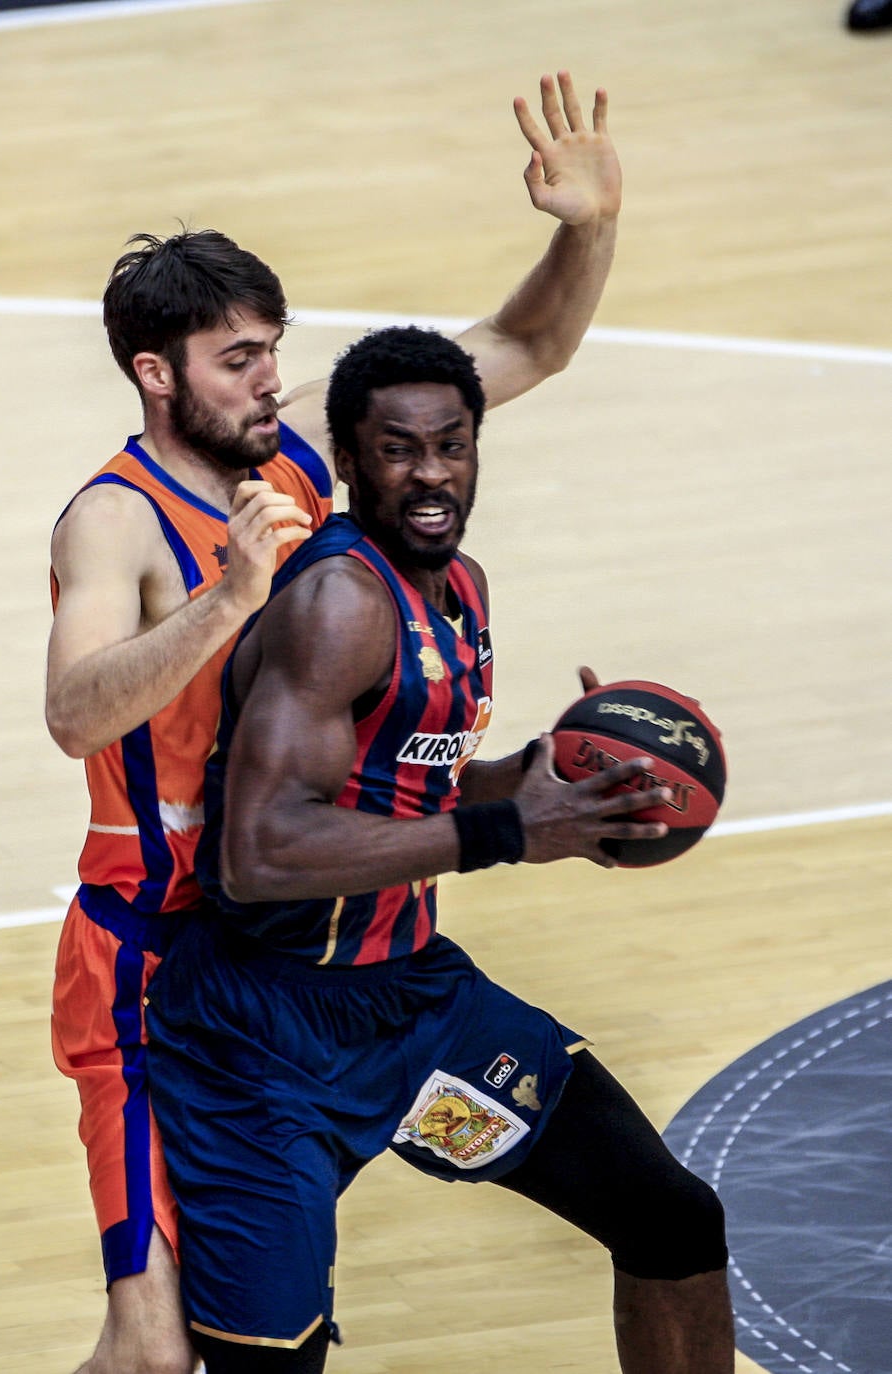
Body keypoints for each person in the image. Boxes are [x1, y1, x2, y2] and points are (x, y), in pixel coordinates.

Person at [46, 69, 626, 1374]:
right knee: (149, 1353)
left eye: (272, 348)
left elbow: (522, 348)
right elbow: (73, 710)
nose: (269, 379)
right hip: (153, 959)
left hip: (292, 956)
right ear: (155, 372)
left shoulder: (299, 450)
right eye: (236, 358)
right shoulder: (113, 518)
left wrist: (583, 228)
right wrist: (227, 599)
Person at [144, 325, 736, 1374]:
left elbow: (411, 788)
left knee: (669, 1219)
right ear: (351, 460)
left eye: (452, 445)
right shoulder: (336, 602)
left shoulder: (459, 590)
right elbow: (261, 853)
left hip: (415, 1008)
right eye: (397, 448)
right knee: (268, 1362)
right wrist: (509, 832)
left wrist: (555, 783)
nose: (430, 474)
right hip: (261, 1041)